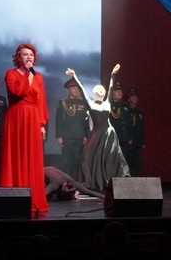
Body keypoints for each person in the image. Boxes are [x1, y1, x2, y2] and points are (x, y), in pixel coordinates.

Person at [0, 43, 50, 215]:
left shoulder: (38, 76)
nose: (29, 57)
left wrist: (41, 124)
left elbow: (40, 100)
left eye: (31, 55)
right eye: (25, 54)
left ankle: (33, 200)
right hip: (16, 117)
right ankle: (13, 200)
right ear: (18, 58)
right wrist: (27, 75)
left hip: (32, 118)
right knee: (14, 156)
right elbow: (17, 91)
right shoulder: (11, 73)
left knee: (31, 158)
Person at [66, 64, 130, 192]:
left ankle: (112, 181)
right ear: (94, 93)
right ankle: (94, 181)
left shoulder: (107, 103)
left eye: (102, 90)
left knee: (112, 157)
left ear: (104, 93)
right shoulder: (90, 103)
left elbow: (111, 87)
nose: (100, 91)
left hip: (109, 135)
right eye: (98, 90)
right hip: (97, 134)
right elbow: (82, 90)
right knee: (90, 157)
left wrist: (113, 74)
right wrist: (74, 76)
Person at [55, 77, 90, 179]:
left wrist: (85, 135)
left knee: (78, 161)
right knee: (67, 162)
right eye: (73, 88)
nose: (76, 90)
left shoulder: (83, 103)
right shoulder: (63, 102)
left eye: (78, 88)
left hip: (79, 136)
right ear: (68, 90)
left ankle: (77, 182)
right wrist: (59, 136)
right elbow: (59, 120)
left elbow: (85, 121)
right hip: (67, 136)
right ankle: (67, 182)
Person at [124, 87, 145, 177]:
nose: (135, 98)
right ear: (128, 99)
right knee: (128, 161)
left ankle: (136, 179)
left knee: (137, 162)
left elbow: (141, 127)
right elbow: (125, 126)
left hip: (138, 141)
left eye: (136, 97)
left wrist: (143, 141)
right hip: (129, 141)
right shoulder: (126, 110)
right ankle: (128, 180)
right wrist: (128, 138)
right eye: (133, 97)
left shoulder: (139, 111)